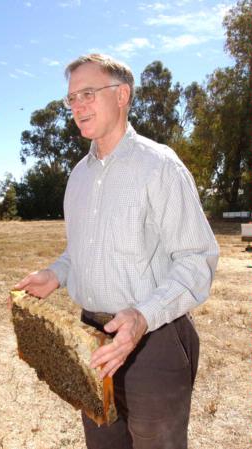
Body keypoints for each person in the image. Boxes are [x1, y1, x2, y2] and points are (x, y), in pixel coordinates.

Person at [14, 53, 219, 449]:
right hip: (92, 339)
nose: (77, 106)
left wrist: (142, 316)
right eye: (71, 98)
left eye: (87, 93)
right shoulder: (78, 177)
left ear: (122, 95)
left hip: (154, 340)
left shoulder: (160, 166)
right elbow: (81, 251)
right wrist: (55, 273)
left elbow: (197, 259)